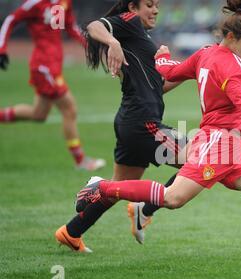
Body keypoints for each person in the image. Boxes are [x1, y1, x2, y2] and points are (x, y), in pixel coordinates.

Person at [57, 0, 241, 258]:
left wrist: (160, 57)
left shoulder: (206, 53)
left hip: (230, 148)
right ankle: (103, 188)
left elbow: (170, 71)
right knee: (173, 198)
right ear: (231, 36)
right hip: (216, 143)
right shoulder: (233, 66)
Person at [55, 0, 188, 251]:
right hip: (143, 124)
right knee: (204, 159)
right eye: (149, 4)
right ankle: (144, 208)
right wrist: (112, 42)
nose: (156, 10)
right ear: (132, 8)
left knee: (118, 188)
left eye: (157, 5)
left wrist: (187, 71)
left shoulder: (139, 36)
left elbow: (157, 88)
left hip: (132, 121)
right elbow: (94, 26)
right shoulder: (130, 22)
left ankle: (71, 232)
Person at [0, 0, 105, 171]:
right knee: (69, 109)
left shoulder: (64, 2)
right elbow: (11, 19)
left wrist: (89, 47)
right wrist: (2, 49)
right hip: (44, 67)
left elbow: (71, 27)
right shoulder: (36, 3)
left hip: (54, 65)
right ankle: (81, 161)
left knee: (38, 114)